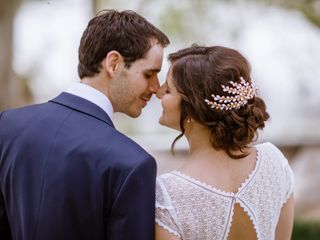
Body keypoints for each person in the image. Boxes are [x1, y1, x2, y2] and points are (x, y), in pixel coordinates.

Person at [0, 9, 169, 240]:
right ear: (114, 64)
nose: (156, 87)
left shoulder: (7, 125)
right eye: (149, 74)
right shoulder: (132, 163)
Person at [155, 45, 294, 240]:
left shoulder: (167, 195)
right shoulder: (275, 162)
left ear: (194, 109)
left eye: (168, 90)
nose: (158, 92)